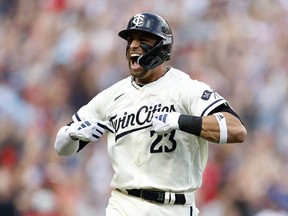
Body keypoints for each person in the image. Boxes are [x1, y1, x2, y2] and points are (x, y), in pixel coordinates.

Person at [54, 12, 247, 216]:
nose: (134, 46)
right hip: (123, 204)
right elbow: (61, 148)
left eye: (143, 40)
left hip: (174, 207)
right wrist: (72, 135)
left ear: (162, 48)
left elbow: (236, 129)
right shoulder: (111, 96)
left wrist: (180, 121)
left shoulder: (186, 89)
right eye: (130, 40)